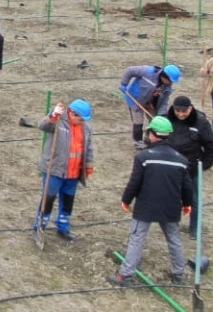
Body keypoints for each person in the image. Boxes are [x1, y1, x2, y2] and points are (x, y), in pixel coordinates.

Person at [108, 116, 193, 287]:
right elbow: (187, 186)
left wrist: (126, 200)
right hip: (170, 206)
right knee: (174, 239)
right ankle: (179, 274)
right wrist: (187, 204)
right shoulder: (181, 160)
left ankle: (125, 275)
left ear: (152, 134)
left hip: (146, 205)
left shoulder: (144, 157)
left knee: (137, 238)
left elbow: (135, 182)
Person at [34, 99, 95, 242]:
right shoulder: (58, 121)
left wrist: (88, 166)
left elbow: (89, 148)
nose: (83, 122)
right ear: (72, 114)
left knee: (68, 200)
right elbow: (42, 126)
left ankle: (63, 227)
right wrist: (53, 115)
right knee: (48, 199)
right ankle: (40, 226)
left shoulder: (85, 128)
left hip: (74, 173)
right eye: (81, 119)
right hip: (55, 170)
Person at [166, 96, 213, 240]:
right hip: (172, 169)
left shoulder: (201, 123)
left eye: (184, 111)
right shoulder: (167, 119)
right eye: (177, 111)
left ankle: (195, 228)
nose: (180, 114)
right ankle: (171, 226)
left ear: (190, 108)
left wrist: (204, 165)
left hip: (192, 169)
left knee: (194, 200)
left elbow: (211, 147)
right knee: (172, 197)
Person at [119, 64, 181, 149]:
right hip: (135, 100)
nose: (171, 83)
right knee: (138, 122)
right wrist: (124, 84)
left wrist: (162, 115)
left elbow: (164, 102)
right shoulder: (147, 71)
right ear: (164, 77)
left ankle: (150, 139)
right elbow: (130, 71)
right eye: (170, 80)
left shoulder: (167, 88)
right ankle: (138, 142)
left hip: (151, 104)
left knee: (155, 121)